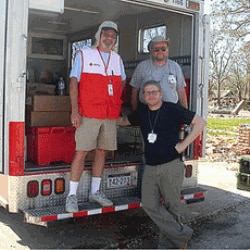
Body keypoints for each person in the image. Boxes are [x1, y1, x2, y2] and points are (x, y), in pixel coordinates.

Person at [117, 80, 206, 249]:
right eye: (147, 93)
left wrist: (185, 143)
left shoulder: (172, 109)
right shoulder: (142, 113)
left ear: (161, 93)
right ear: (143, 96)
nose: (150, 95)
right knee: (149, 204)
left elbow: (200, 123)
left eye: (154, 92)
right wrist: (98, 118)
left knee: (172, 207)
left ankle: (169, 245)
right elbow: (122, 121)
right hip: (150, 167)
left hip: (171, 165)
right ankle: (182, 235)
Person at [65, 21, 126, 212]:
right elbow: (74, 83)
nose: (109, 38)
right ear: (99, 35)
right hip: (88, 113)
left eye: (113, 36)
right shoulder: (84, 54)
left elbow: (121, 82)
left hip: (108, 115)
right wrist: (75, 110)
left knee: (102, 152)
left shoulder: (117, 58)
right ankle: (72, 196)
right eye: (106, 34)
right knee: (82, 151)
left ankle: (95, 192)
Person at [130, 35, 188, 111]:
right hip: (146, 110)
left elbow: (181, 91)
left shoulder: (175, 67)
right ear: (150, 50)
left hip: (171, 110)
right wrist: (134, 114)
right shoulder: (141, 66)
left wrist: (186, 115)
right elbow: (134, 91)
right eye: (156, 49)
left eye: (163, 49)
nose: (160, 51)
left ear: (167, 50)